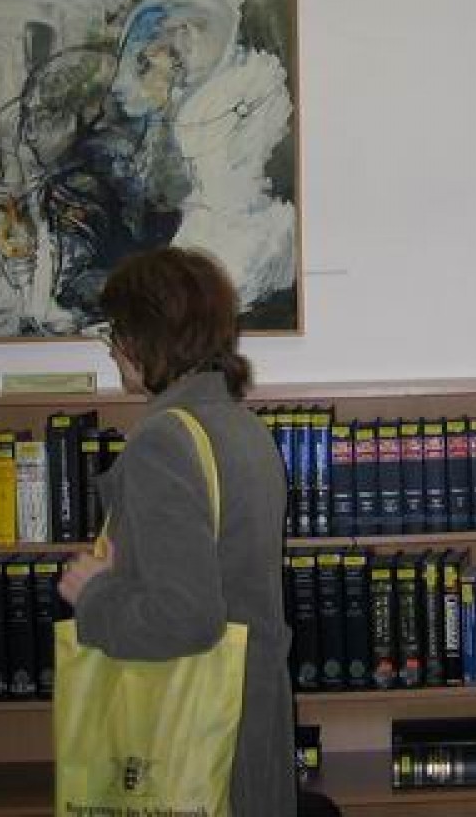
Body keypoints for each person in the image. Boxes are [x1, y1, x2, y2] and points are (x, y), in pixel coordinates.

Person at [59, 246, 295, 814]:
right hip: (249, 726)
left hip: (191, 745)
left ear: (148, 336)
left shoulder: (163, 441)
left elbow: (184, 618)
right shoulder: (244, 429)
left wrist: (93, 595)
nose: (111, 349)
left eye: (116, 331)